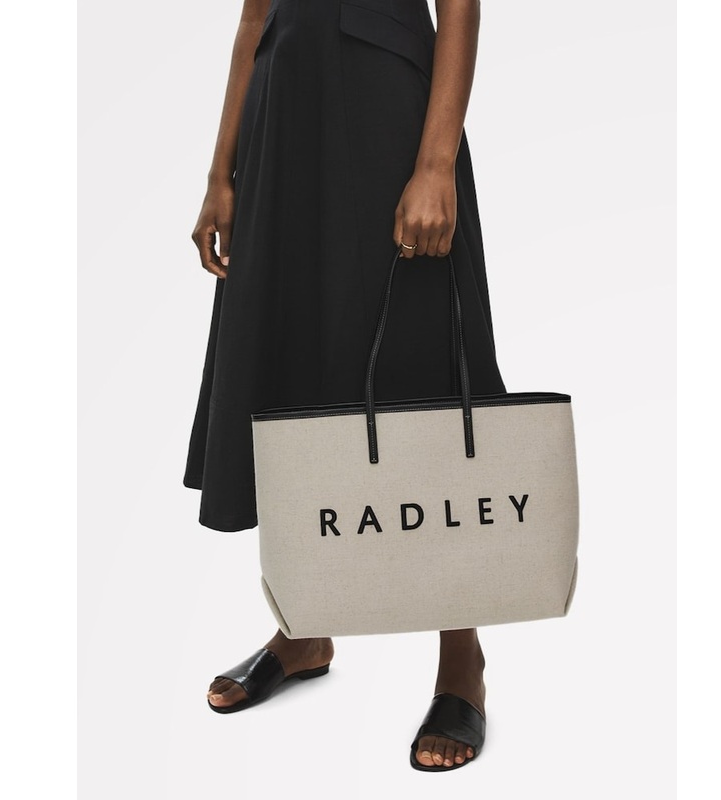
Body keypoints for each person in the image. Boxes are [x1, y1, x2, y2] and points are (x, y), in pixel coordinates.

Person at [184, 0, 507, 771]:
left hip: (388, 107)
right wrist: (221, 172)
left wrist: (436, 163)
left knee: (422, 364)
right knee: (290, 364)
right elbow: (254, 16)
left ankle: (460, 656)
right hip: (283, 114)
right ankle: (304, 629)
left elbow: (460, 7)